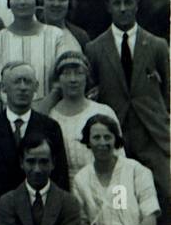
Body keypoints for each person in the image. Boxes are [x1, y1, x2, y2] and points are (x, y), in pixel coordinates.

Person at [85, 0, 171, 225]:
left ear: (137, 5)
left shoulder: (156, 45)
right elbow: (94, 93)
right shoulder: (95, 48)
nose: (123, 9)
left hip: (152, 135)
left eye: (128, 3)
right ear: (108, 7)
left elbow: (167, 92)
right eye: (117, 3)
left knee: (165, 195)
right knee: (120, 199)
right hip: (116, 137)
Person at [0, 0, 79, 114]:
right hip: (8, 118)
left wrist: (43, 108)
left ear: (36, 0)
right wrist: (1, 125)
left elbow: (61, 80)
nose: (22, 2)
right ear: (9, 3)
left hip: (49, 116)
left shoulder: (56, 36)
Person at [0, 62, 70, 197]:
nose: (23, 87)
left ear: (36, 87)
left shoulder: (50, 127)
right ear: (3, 87)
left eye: (28, 82)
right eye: (17, 82)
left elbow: (60, 176)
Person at [47, 52, 119, 187]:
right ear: (58, 80)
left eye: (79, 73)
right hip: (64, 189)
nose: (73, 79)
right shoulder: (51, 117)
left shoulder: (103, 112)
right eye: (66, 73)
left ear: (87, 78)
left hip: (103, 185)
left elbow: (119, 161)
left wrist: (117, 203)